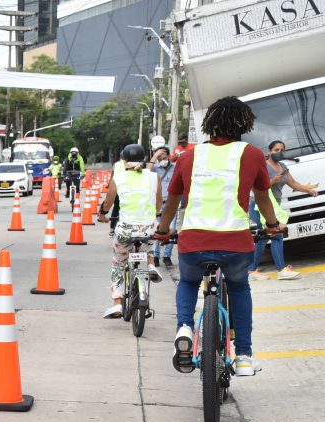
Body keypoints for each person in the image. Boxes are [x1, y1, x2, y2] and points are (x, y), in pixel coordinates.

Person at [155, 96, 282, 377]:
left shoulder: (189, 156)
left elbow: (173, 198)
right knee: (238, 288)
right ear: (244, 124)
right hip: (235, 242)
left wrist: (163, 231)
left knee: (188, 281)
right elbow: (262, 196)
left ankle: (184, 328)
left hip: (193, 241)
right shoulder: (251, 154)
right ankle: (245, 356)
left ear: (209, 125)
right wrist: (272, 225)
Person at [98, 143, 163, 319]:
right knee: (149, 237)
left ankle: (117, 303)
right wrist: (155, 213)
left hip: (126, 229)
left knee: (118, 264)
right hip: (148, 226)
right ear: (143, 159)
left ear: (124, 160)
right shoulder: (154, 177)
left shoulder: (118, 179)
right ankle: (150, 264)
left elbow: (108, 203)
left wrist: (102, 214)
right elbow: (158, 202)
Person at [248, 140, 317, 280]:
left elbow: (293, 183)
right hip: (261, 206)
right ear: (269, 151)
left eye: (282, 150)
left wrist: (308, 190)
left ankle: (251, 271)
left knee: (264, 237)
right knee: (276, 235)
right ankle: (281, 270)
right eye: (276, 150)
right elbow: (256, 186)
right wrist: (274, 180)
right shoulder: (263, 165)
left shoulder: (283, 166)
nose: (279, 152)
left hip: (273, 207)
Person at [151, 145, 176, 267]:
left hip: (171, 204)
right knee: (157, 231)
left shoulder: (175, 168)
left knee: (170, 231)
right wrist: (154, 157)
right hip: (157, 205)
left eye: (164, 156)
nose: (162, 158)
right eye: (159, 157)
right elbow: (146, 170)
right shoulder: (155, 169)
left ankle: (167, 256)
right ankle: (156, 256)